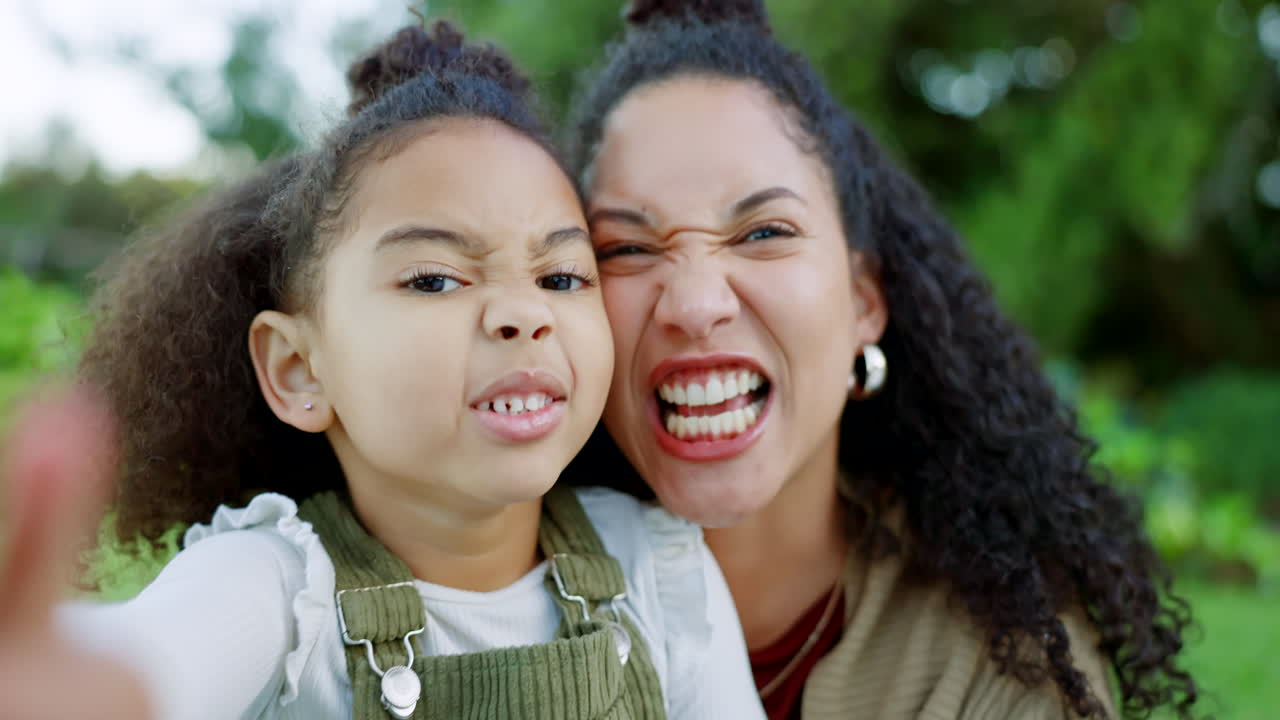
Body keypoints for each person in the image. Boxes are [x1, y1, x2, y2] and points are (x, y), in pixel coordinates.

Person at [0, 20, 764, 720]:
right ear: (299, 369)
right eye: (434, 279)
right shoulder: (274, 591)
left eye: (561, 277)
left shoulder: (656, 566)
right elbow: (148, 666)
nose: (522, 312)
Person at [561, 1, 1198, 718]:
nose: (695, 303)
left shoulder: (1003, 660)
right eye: (627, 248)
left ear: (864, 301)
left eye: (764, 232)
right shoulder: (486, 604)